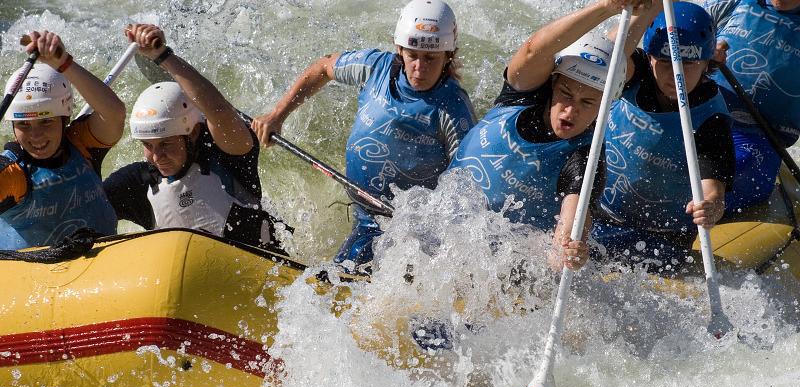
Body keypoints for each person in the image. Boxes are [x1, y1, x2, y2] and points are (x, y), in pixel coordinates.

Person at [251, 0, 476, 271]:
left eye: (430, 58)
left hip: (405, 226)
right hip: (364, 210)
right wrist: (277, 115)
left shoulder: (454, 108)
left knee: (338, 280)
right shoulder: (375, 68)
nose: (419, 67)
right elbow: (324, 67)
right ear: (400, 49)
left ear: (448, 56)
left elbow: (466, 183)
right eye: (412, 55)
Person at [447, 0, 645, 271]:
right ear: (554, 82)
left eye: (587, 103)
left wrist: (569, 247)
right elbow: (534, 49)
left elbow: (572, 219)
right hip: (443, 223)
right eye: (566, 94)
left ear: (604, 108)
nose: (570, 111)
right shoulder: (520, 95)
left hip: (500, 264)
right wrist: (608, 7)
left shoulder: (584, 158)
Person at [103, 24, 283, 250]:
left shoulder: (227, 158)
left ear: (194, 132)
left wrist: (163, 56)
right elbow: (84, 207)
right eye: (148, 145)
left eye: (166, 143)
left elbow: (217, 111)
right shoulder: (137, 183)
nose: (157, 156)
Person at [592, 2, 735, 273]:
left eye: (689, 63)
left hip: (661, 238)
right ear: (650, 58)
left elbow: (712, 190)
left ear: (707, 63)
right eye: (666, 62)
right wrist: (646, 8)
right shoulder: (635, 74)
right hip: (598, 214)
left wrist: (711, 208)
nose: (677, 74)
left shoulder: (711, 118)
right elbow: (605, 54)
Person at [0, 31, 124, 250]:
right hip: (32, 278)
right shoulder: (12, 174)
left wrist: (64, 63)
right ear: (12, 126)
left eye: (46, 122)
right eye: (24, 125)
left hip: (100, 272)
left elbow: (114, 114)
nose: (35, 136)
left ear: (64, 119)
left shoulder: (81, 144)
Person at [705, 0, 800, 212]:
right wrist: (703, 54)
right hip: (702, 118)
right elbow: (675, 45)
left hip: (758, 138)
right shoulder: (731, 3)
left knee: (741, 164)